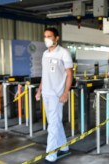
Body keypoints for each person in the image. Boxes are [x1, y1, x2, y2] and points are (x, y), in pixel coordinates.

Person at [35, 27, 73, 163]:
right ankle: (63, 146)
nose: (47, 39)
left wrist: (65, 93)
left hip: (57, 95)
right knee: (54, 121)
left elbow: (69, 74)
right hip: (46, 93)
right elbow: (44, 75)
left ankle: (51, 154)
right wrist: (39, 90)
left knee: (53, 124)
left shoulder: (64, 53)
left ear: (56, 38)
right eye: (45, 36)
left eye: (49, 36)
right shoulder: (45, 54)